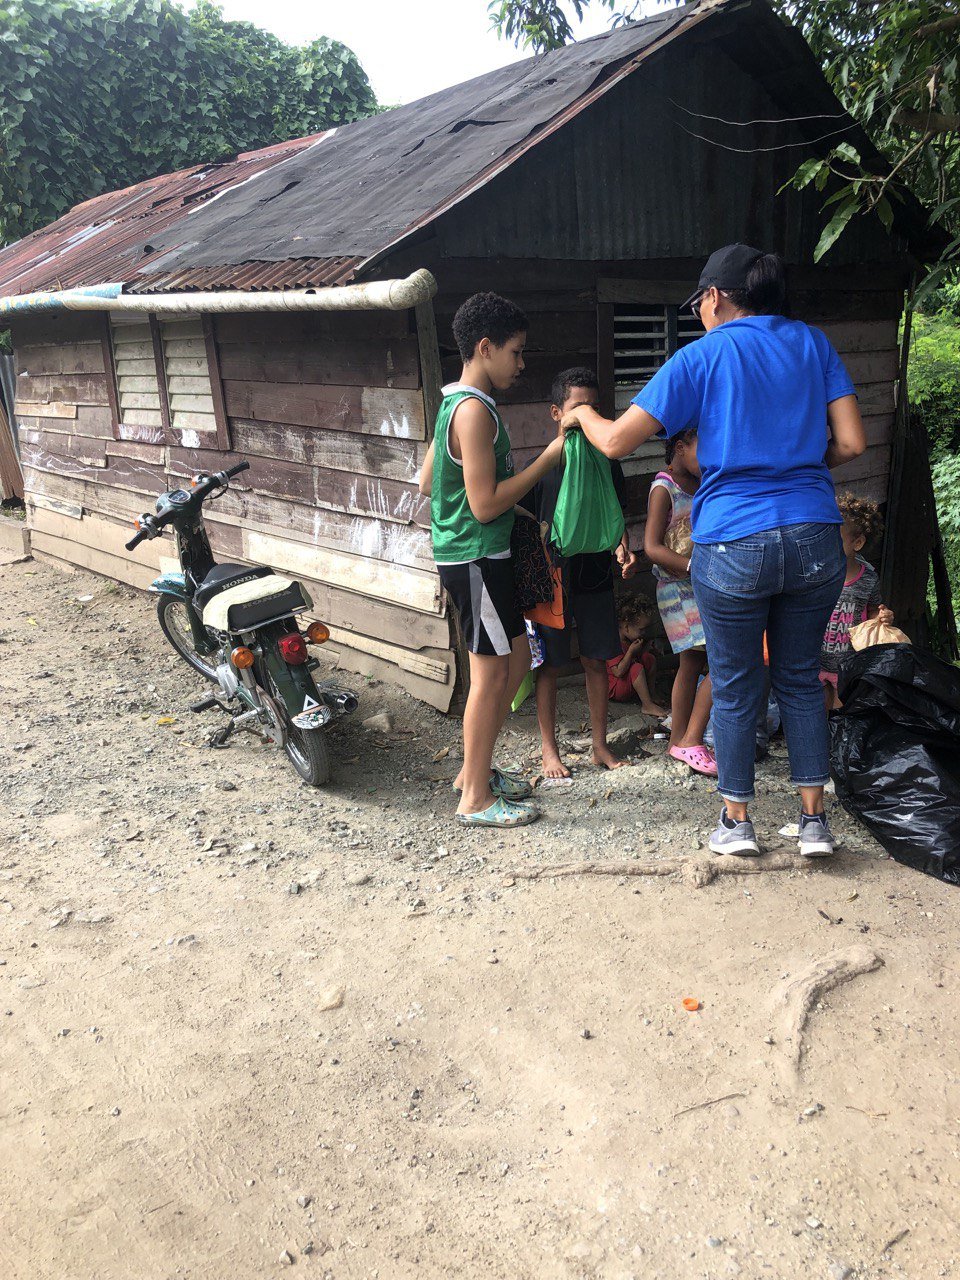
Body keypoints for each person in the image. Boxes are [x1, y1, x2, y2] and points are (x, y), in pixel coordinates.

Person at [560, 244, 867, 858]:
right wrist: (802, 466)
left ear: (715, 298)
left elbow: (618, 441)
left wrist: (584, 415)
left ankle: (737, 822)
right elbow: (853, 442)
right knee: (801, 679)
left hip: (732, 539)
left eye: (699, 302)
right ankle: (813, 825)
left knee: (733, 682)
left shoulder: (701, 356)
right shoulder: (814, 345)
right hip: (813, 534)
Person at [418, 292, 565, 828]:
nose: (522, 364)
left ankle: (472, 770)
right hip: (476, 557)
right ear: (485, 347)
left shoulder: (453, 401)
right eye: (517, 352)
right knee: (489, 674)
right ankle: (474, 798)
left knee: (520, 659)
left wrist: (515, 510)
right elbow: (481, 505)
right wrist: (546, 460)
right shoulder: (475, 410)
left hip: (483, 554)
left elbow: (429, 480)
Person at [529, 367, 639, 780]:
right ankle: (549, 751)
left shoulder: (606, 462)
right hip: (553, 578)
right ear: (557, 413)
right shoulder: (542, 465)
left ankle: (599, 746)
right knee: (551, 665)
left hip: (594, 572)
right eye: (579, 408)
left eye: (595, 408)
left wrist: (622, 548)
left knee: (597, 659)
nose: (587, 416)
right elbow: (526, 522)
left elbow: (614, 517)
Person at [644, 429, 717, 776]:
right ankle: (689, 740)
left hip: (701, 586)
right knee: (718, 662)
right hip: (676, 589)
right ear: (679, 447)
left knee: (691, 664)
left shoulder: (703, 483)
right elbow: (652, 547)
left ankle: (681, 742)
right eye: (705, 450)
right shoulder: (664, 488)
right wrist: (692, 566)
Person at [820, 493, 894, 710]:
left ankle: (838, 744)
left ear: (858, 542)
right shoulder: (819, 575)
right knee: (817, 711)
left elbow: (872, 611)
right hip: (817, 661)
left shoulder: (868, 579)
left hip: (848, 663)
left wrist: (882, 616)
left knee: (840, 711)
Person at [606, 595, 667, 713]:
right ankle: (647, 705)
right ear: (626, 626)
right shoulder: (612, 642)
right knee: (636, 668)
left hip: (628, 681)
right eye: (641, 629)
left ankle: (651, 694)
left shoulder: (630, 639)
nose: (644, 633)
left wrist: (649, 649)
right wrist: (631, 652)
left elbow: (639, 657)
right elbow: (618, 672)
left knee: (649, 658)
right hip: (617, 688)